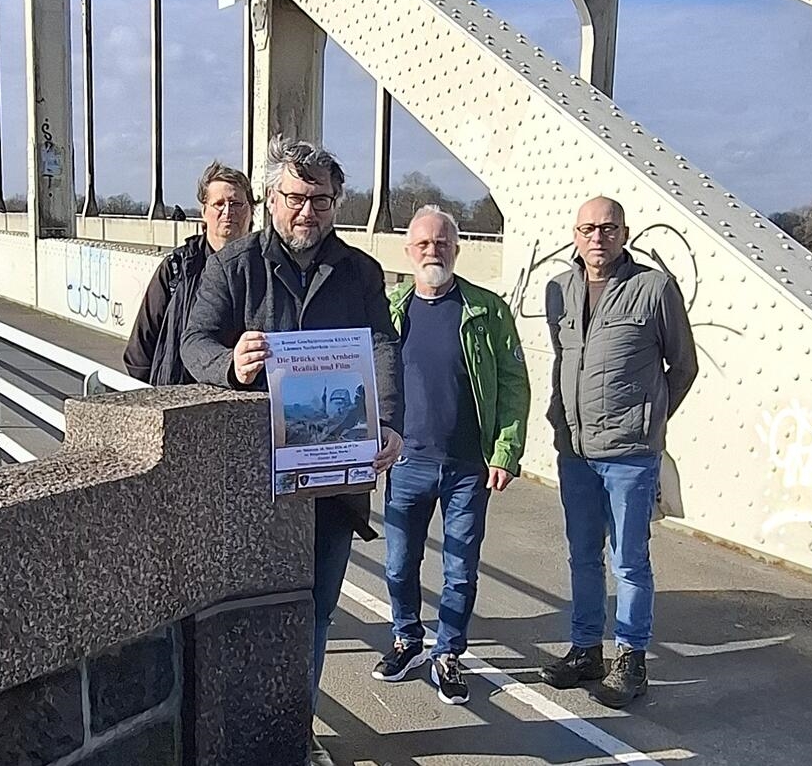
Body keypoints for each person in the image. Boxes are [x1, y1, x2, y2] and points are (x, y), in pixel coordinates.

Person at [182, 134, 403, 766]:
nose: (309, 212)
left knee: (317, 611)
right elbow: (194, 342)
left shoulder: (361, 271)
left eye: (323, 201)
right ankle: (242, 735)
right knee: (250, 612)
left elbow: (382, 346)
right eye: (298, 198)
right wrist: (231, 363)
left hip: (333, 477)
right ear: (273, 197)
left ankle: (295, 733)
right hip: (256, 476)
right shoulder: (233, 265)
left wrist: (387, 421)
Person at [538, 196, 698, 708]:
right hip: (575, 449)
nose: (597, 238)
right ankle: (586, 649)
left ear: (624, 232)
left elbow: (684, 366)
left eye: (607, 228)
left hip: (630, 452)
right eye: (587, 229)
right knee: (583, 556)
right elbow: (566, 361)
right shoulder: (559, 289)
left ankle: (631, 658)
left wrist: (648, 420)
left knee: (629, 561)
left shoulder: (654, 289)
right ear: (576, 234)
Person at [372, 204, 529, 705]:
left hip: (468, 466)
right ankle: (406, 639)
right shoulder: (391, 309)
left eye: (442, 243)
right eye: (423, 244)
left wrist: (506, 450)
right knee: (399, 564)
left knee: (459, 569)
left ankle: (449, 654)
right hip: (407, 462)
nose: (432, 251)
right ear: (408, 252)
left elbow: (512, 383)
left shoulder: (485, 309)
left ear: (456, 250)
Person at [123, 162, 255, 385]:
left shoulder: (268, 269)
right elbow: (140, 350)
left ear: (251, 210)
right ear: (204, 211)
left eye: (236, 203)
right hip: (178, 397)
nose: (227, 212)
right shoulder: (177, 268)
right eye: (219, 204)